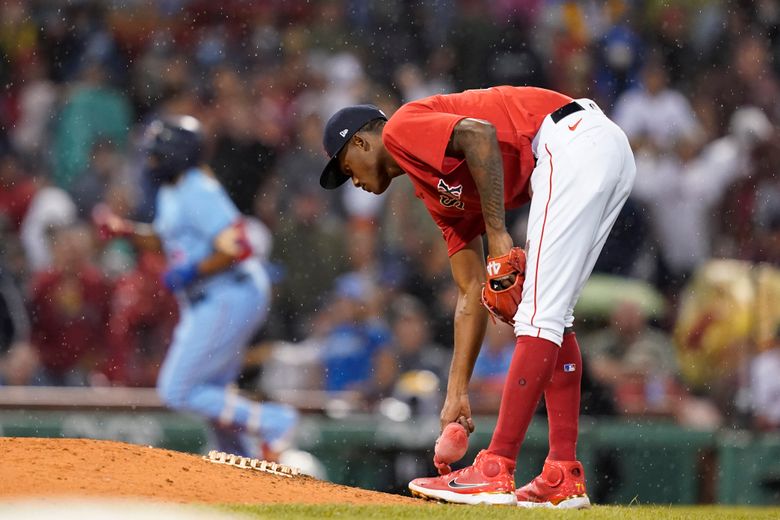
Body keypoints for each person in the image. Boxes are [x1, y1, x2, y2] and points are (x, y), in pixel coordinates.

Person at [318, 87, 636, 507]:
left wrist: (499, 235)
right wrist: (457, 390)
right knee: (554, 316)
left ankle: (496, 466)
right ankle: (562, 473)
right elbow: (470, 291)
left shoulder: (400, 129)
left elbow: (479, 134)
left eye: (346, 166)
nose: (352, 180)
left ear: (360, 140)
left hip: (568, 141)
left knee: (537, 317)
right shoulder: (434, 190)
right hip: (600, 149)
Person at [93, 115, 297, 460]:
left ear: (176, 153)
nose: (151, 158)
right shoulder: (174, 189)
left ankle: (275, 421)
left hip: (228, 291)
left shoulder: (197, 188)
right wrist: (126, 230)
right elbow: (167, 239)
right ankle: (239, 459)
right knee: (210, 391)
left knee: (177, 389)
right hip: (217, 295)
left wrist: (192, 270)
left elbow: (238, 245)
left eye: (157, 151)